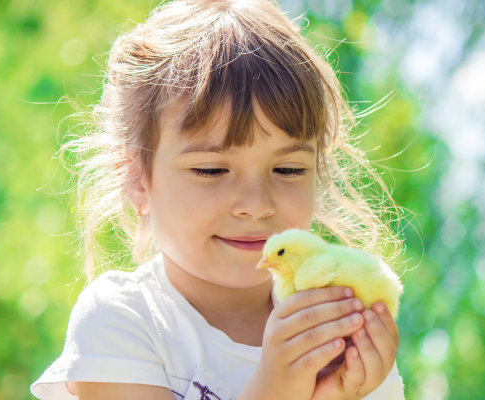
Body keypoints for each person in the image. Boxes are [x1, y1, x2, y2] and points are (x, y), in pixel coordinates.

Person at [31, 0, 406, 398]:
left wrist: (334, 392)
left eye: (289, 170)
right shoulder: (123, 320)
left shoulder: (340, 328)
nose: (256, 204)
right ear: (137, 180)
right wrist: (277, 387)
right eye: (211, 170)